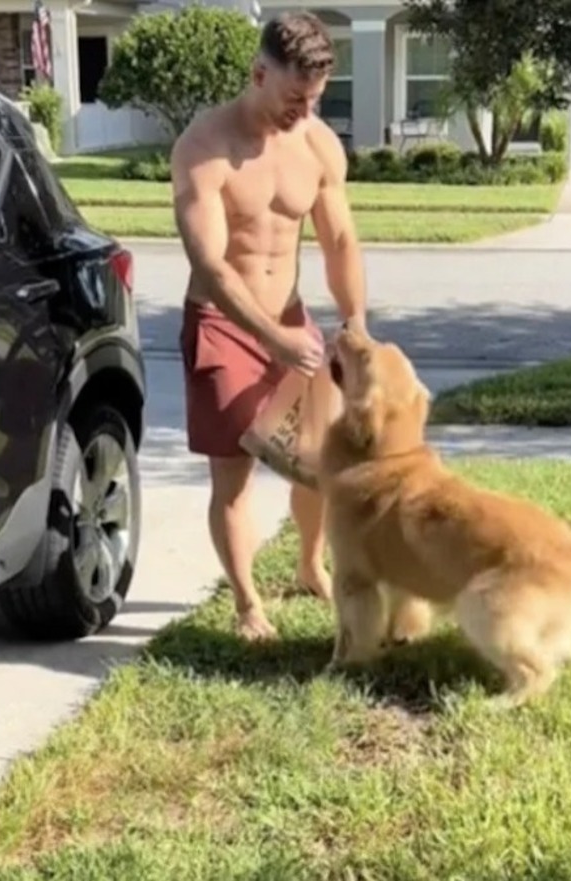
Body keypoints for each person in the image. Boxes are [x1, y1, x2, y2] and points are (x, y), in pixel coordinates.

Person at [170, 11, 367, 641]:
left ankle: (310, 564)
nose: (303, 111)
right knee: (234, 476)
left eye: (314, 98)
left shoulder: (316, 143)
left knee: (320, 461)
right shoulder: (204, 148)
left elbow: (339, 241)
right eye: (293, 97)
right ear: (258, 74)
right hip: (223, 325)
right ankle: (249, 604)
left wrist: (354, 322)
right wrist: (271, 338)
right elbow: (213, 266)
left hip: (291, 320)